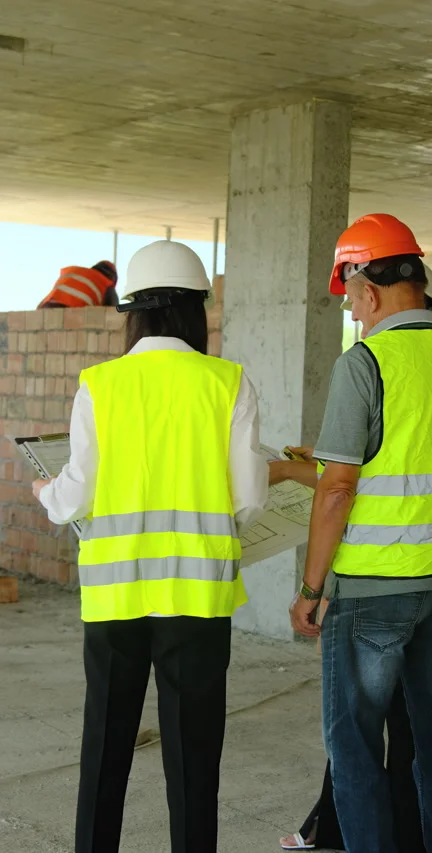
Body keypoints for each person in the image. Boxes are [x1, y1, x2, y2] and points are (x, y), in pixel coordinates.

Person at [32, 239, 268, 853]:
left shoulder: (101, 385)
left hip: (115, 599)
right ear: (197, 312)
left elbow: (76, 494)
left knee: (105, 746)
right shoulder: (228, 382)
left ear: (132, 312)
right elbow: (248, 497)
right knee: (194, 758)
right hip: (197, 600)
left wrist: (45, 492)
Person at [287, 213, 432, 853]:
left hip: (373, 594)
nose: (351, 314)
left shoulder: (365, 361)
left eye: (349, 299)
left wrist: (311, 586)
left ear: (368, 288)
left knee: (357, 746)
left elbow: (340, 488)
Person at [38, 260, 119, 308]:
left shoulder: (78, 273)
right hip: (71, 311)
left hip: (45, 308)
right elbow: (114, 314)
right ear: (112, 278)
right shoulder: (106, 284)